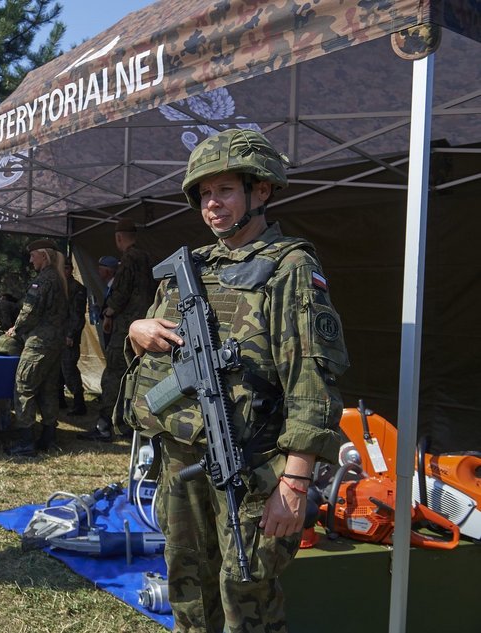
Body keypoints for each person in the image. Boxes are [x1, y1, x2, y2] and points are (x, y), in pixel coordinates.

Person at [124, 129, 349, 632]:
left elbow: (310, 377)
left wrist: (295, 480)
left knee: (245, 594)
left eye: (224, 190)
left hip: (251, 464)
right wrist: (137, 332)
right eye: (204, 194)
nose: (212, 204)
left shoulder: (289, 267)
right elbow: (152, 341)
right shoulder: (191, 267)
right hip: (181, 459)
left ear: (260, 190)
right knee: (186, 581)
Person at [79, 220, 154, 442]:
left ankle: (105, 425)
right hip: (143, 325)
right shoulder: (146, 257)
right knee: (135, 374)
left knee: (113, 375)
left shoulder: (129, 258)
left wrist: (109, 313)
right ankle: (129, 422)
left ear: (118, 238)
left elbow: (121, 290)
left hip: (125, 327)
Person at [3, 239, 68, 456]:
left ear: (44, 255)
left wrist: (16, 328)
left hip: (39, 342)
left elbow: (29, 311)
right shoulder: (59, 279)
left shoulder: (42, 280)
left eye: (33, 256)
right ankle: (48, 437)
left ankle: (25, 441)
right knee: (49, 389)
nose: (30, 260)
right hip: (55, 342)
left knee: (24, 386)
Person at [57, 260, 87, 416]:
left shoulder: (77, 288)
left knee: (69, 368)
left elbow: (78, 315)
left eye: (67, 268)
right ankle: (60, 399)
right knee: (58, 369)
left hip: (69, 335)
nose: (64, 271)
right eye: (62, 268)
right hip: (58, 334)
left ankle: (79, 402)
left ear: (72, 269)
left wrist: (71, 334)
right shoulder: (59, 286)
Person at [89, 255, 118, 349]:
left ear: (108, 271)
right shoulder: (109, 287)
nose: (98, 272)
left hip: (115, 333)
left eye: (100, 269)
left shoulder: (116, 289)